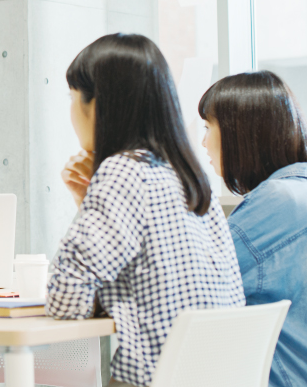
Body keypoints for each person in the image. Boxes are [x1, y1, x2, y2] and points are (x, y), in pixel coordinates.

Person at [46, 34, 244, 387]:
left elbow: (64, 298)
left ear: (98, 106)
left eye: (73, 97)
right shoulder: (190, 177)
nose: (72, 109)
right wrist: (87, 200)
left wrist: (93, 199)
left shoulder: (123, 172)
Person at [199, 71, 307, 387]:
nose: (203, 142)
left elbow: (200, 281)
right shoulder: (303, 194)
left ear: (241, 134)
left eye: (209, 128)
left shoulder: (278, 202)